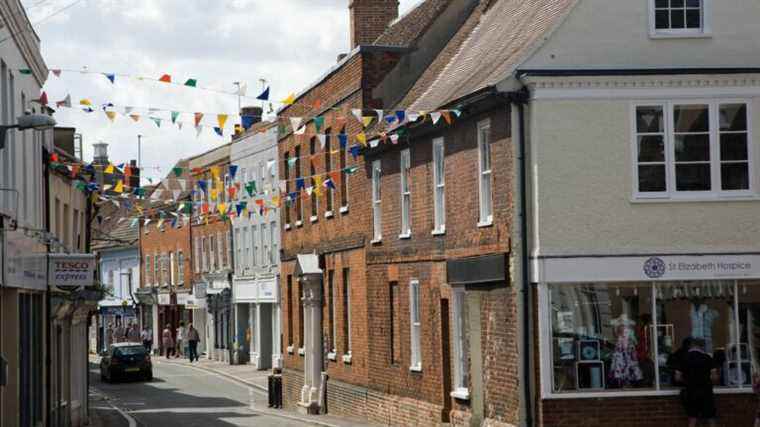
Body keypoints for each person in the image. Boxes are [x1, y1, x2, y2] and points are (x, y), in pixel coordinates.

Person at [676, 338, 718, 427]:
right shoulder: (708, 358)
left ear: (691, 345)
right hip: (706, 392)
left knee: (692, 419)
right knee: (711, 419)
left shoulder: (684, 358)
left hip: (691, 392)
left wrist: (687, 380)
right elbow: (714, 377)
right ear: (702, 346)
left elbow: (677, 377)